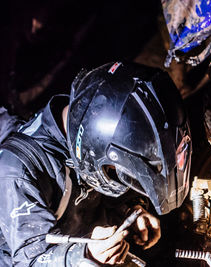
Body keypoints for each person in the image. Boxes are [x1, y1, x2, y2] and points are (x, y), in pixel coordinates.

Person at [0, 61, 192, 266]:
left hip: (85, 237)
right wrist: (84, 255)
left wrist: (130, 211)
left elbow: (94, 190)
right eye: (116, 171)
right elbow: (30, 260)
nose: (119, 175)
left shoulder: (89, 131)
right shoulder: (17, 173)